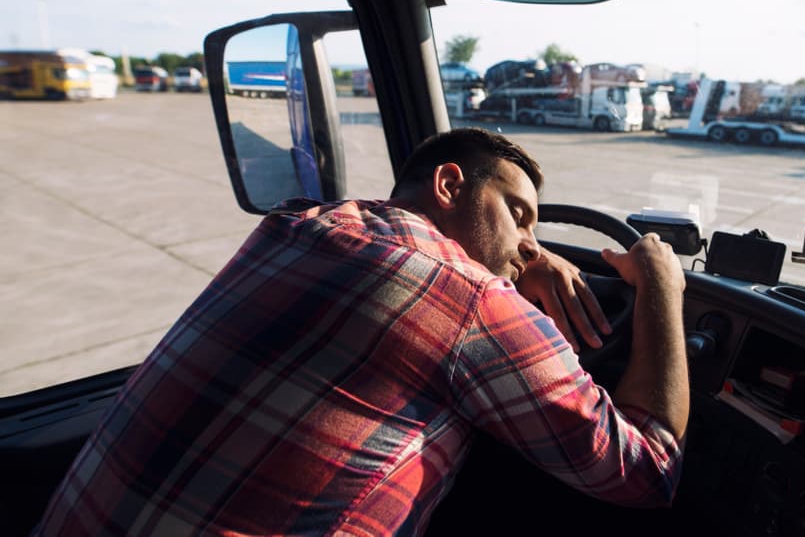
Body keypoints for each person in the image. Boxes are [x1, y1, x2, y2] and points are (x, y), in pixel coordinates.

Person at [33, 127, 688, 536]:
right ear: (450, 183)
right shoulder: (471, 299)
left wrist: (519, 252)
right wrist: (660, 282)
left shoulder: (293, 227)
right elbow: (646, 469)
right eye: (519, 215)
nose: (527, 245)